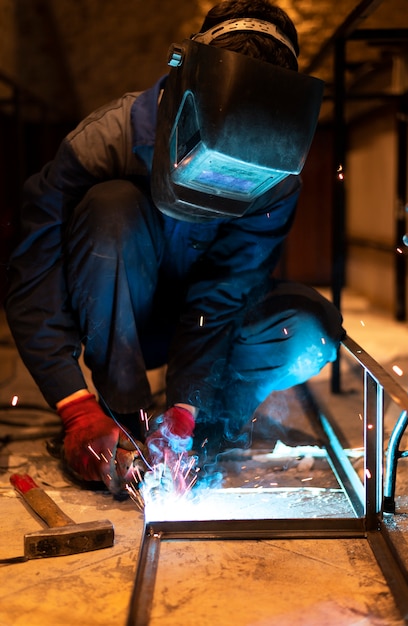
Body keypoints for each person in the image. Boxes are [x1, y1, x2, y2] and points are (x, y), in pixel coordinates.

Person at [5, 0, 345, 497]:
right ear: (188, 88)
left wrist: (187, 406)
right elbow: (33, 276)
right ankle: (123, 417)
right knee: (111, 208)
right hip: (115, 314)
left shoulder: (280, 174)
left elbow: (225, 293)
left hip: (202, 326)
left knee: (310, 330)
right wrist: (73, 404)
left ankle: (200, 424)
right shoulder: (105, 141)